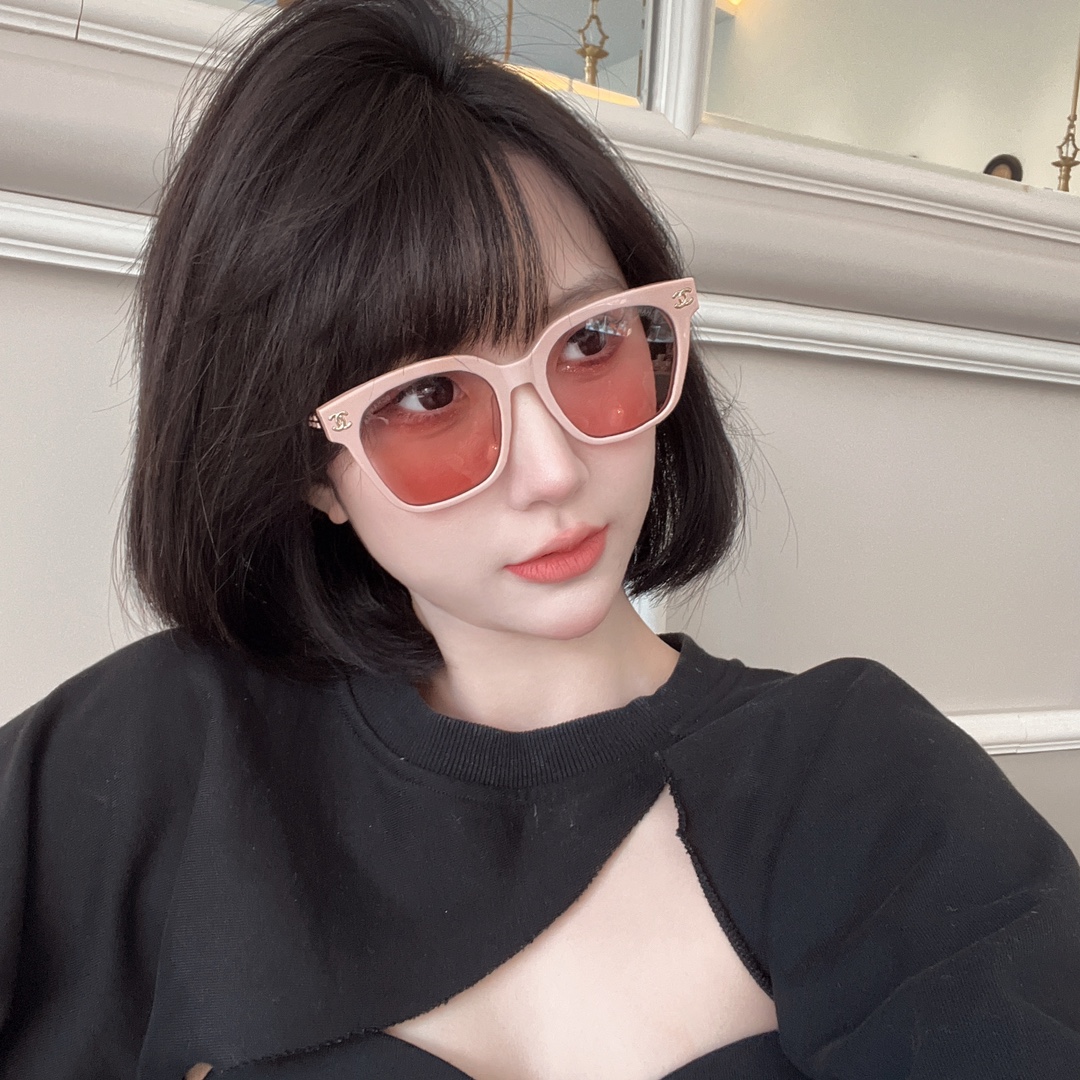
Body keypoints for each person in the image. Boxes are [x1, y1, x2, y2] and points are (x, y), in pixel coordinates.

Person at [1, 1, 1078, 1078]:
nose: (555, 467)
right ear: (313, 472)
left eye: (591, 340)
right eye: (430, 396)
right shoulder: (164, 750)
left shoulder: (858, 777)